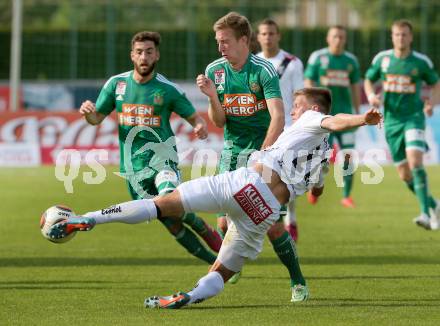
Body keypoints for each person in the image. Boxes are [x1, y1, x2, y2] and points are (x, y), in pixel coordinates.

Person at [48, 87, 382, 308]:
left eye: (296, 105)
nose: (293, 110)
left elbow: (334, 120)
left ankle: (88, 218)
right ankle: (190, 296)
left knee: (161, 205)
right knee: (222, 270)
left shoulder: (311, 117)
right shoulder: (324, 155)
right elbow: (319, 187)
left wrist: (360, 119)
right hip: (264, 212)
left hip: (246, 183)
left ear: (310, 107)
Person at [78, 31, 222, 264]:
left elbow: (194, 117)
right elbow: (96, 119)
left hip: (162, 159)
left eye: (149, 52)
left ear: (157, 55)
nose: (144, 56)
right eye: (139, 52)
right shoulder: (117, 84)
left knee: (169, 200)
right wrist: (88, 113)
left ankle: (204, 230)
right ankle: (217, 263)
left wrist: (199, 126)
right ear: (132, 55)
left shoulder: (167, 89)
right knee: (170, 221)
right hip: (133, 168)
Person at [197, 12, 299, 285]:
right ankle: (232, 265)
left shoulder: (263, 70)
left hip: (266, 152)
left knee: (273, 227)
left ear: (244, 40)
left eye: (226, 41)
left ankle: (297, 280)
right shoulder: (214, 71)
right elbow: (219, 121)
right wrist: (211, 97)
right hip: (232, 150)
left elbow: (278, 116)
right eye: (218, 42)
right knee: (223, 223)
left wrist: (263, 155)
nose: (220, 48)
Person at [364, 20, 440, 230]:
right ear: (392, 37)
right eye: (397, 34)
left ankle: (426, 214)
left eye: (404, 34)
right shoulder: (383, 59)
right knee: (405, 175)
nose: (401, 38)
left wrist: (431, 103)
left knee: (416, 163)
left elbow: (436, 83)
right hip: (391, 122)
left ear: (411, 37)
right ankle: (434, 205)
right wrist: (371, 96)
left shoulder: (420, 62)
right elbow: (369, 79)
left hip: (414, 118)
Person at [256, 18, 304, 241]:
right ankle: (274, 220)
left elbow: (299, 96)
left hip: (286, 130)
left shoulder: (292, 63)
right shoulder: (252, 62)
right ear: (258, 37)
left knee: (284, 179)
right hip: (260, 129)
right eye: (264, 34)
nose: (268, 37)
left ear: (278, 35)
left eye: (271, 33)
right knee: (262, 178)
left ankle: (289, 219)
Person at [304, 25, 361, 208]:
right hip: (324, 118)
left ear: (345, 39)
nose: (338, 40)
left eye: (341, 37)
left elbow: (354, 87)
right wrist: (310, 108)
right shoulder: (318, 57)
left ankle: (347, 196)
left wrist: (358, 114)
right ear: (328, 39)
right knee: (321, 159)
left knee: (348, 156)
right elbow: (309, 81)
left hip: (345, 117)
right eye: (335, 36)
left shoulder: (351, 61)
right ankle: (315, 187)